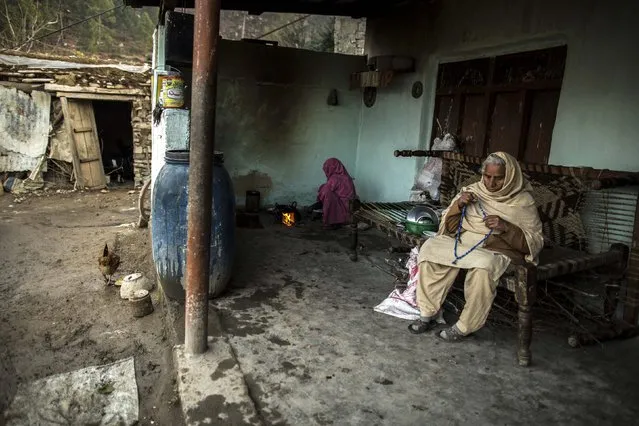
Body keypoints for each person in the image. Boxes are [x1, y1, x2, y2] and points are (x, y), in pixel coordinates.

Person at [408, 151, 543, 341]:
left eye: (498, 178)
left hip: (497, 251)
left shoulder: (523, 202)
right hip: (464, 244)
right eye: (487, 176)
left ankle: (464, 327)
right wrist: (459, 206)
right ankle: (427, 312)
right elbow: (450, 228)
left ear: (510, 176)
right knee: (430, 248)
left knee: (483, 268)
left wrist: (506, 227)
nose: (490, 183)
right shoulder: (473, 191)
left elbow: (534, 242)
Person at [316, 158, 356, 230]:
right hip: (351, 209)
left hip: (342, 211)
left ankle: (331, 221)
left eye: (327, 169)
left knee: (327, 193)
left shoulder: (335, 178)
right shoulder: (347, 177)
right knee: (327, 190)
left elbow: (324, 191)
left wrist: (319, 196)